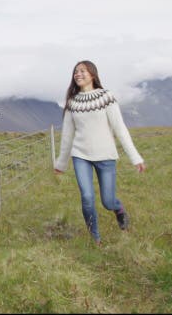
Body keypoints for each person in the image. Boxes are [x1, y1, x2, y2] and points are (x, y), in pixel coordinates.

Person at [53, 60, 146, 246]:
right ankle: (95, 238)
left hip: (106, 156)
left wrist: (135, 157)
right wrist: (61, 164)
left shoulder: (106, 97)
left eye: (82, 71)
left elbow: (120, 129)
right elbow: (67, 136)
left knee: (108, 201)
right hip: (81, 156)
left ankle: (119, 210)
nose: (78, 74)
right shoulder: (72, 102)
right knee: (87, 198)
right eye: (75, 72)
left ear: (92, 75)